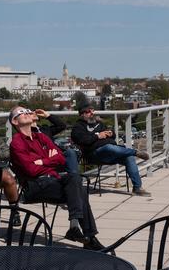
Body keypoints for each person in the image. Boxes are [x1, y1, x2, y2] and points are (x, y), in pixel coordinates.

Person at [9, 106, 103, 249]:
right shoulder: (17, 143)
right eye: (22, 113)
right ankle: (87, 237)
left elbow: (61, 159)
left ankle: (77, 228)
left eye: (28, 110)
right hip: (35, 186)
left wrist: (41, 161)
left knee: (75, 180)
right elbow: (31, 170)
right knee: (80, 191)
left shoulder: (40, 136)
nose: (27, 113)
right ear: (15, 122)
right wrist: (48, 160)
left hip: (52, 180)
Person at [70, 97, 151, 196]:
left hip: (112, 152)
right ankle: (135, 152)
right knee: (109, 147)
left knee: (128, 157)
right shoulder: (78, 127)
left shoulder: (99, 124)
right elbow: (83, 140)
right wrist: (98, 136)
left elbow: (114, 135)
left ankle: (137, 187)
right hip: (95, 154)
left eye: (92, 111)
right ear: (82, 114)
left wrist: (110, 133)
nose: (92, 113)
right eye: (88, 111)